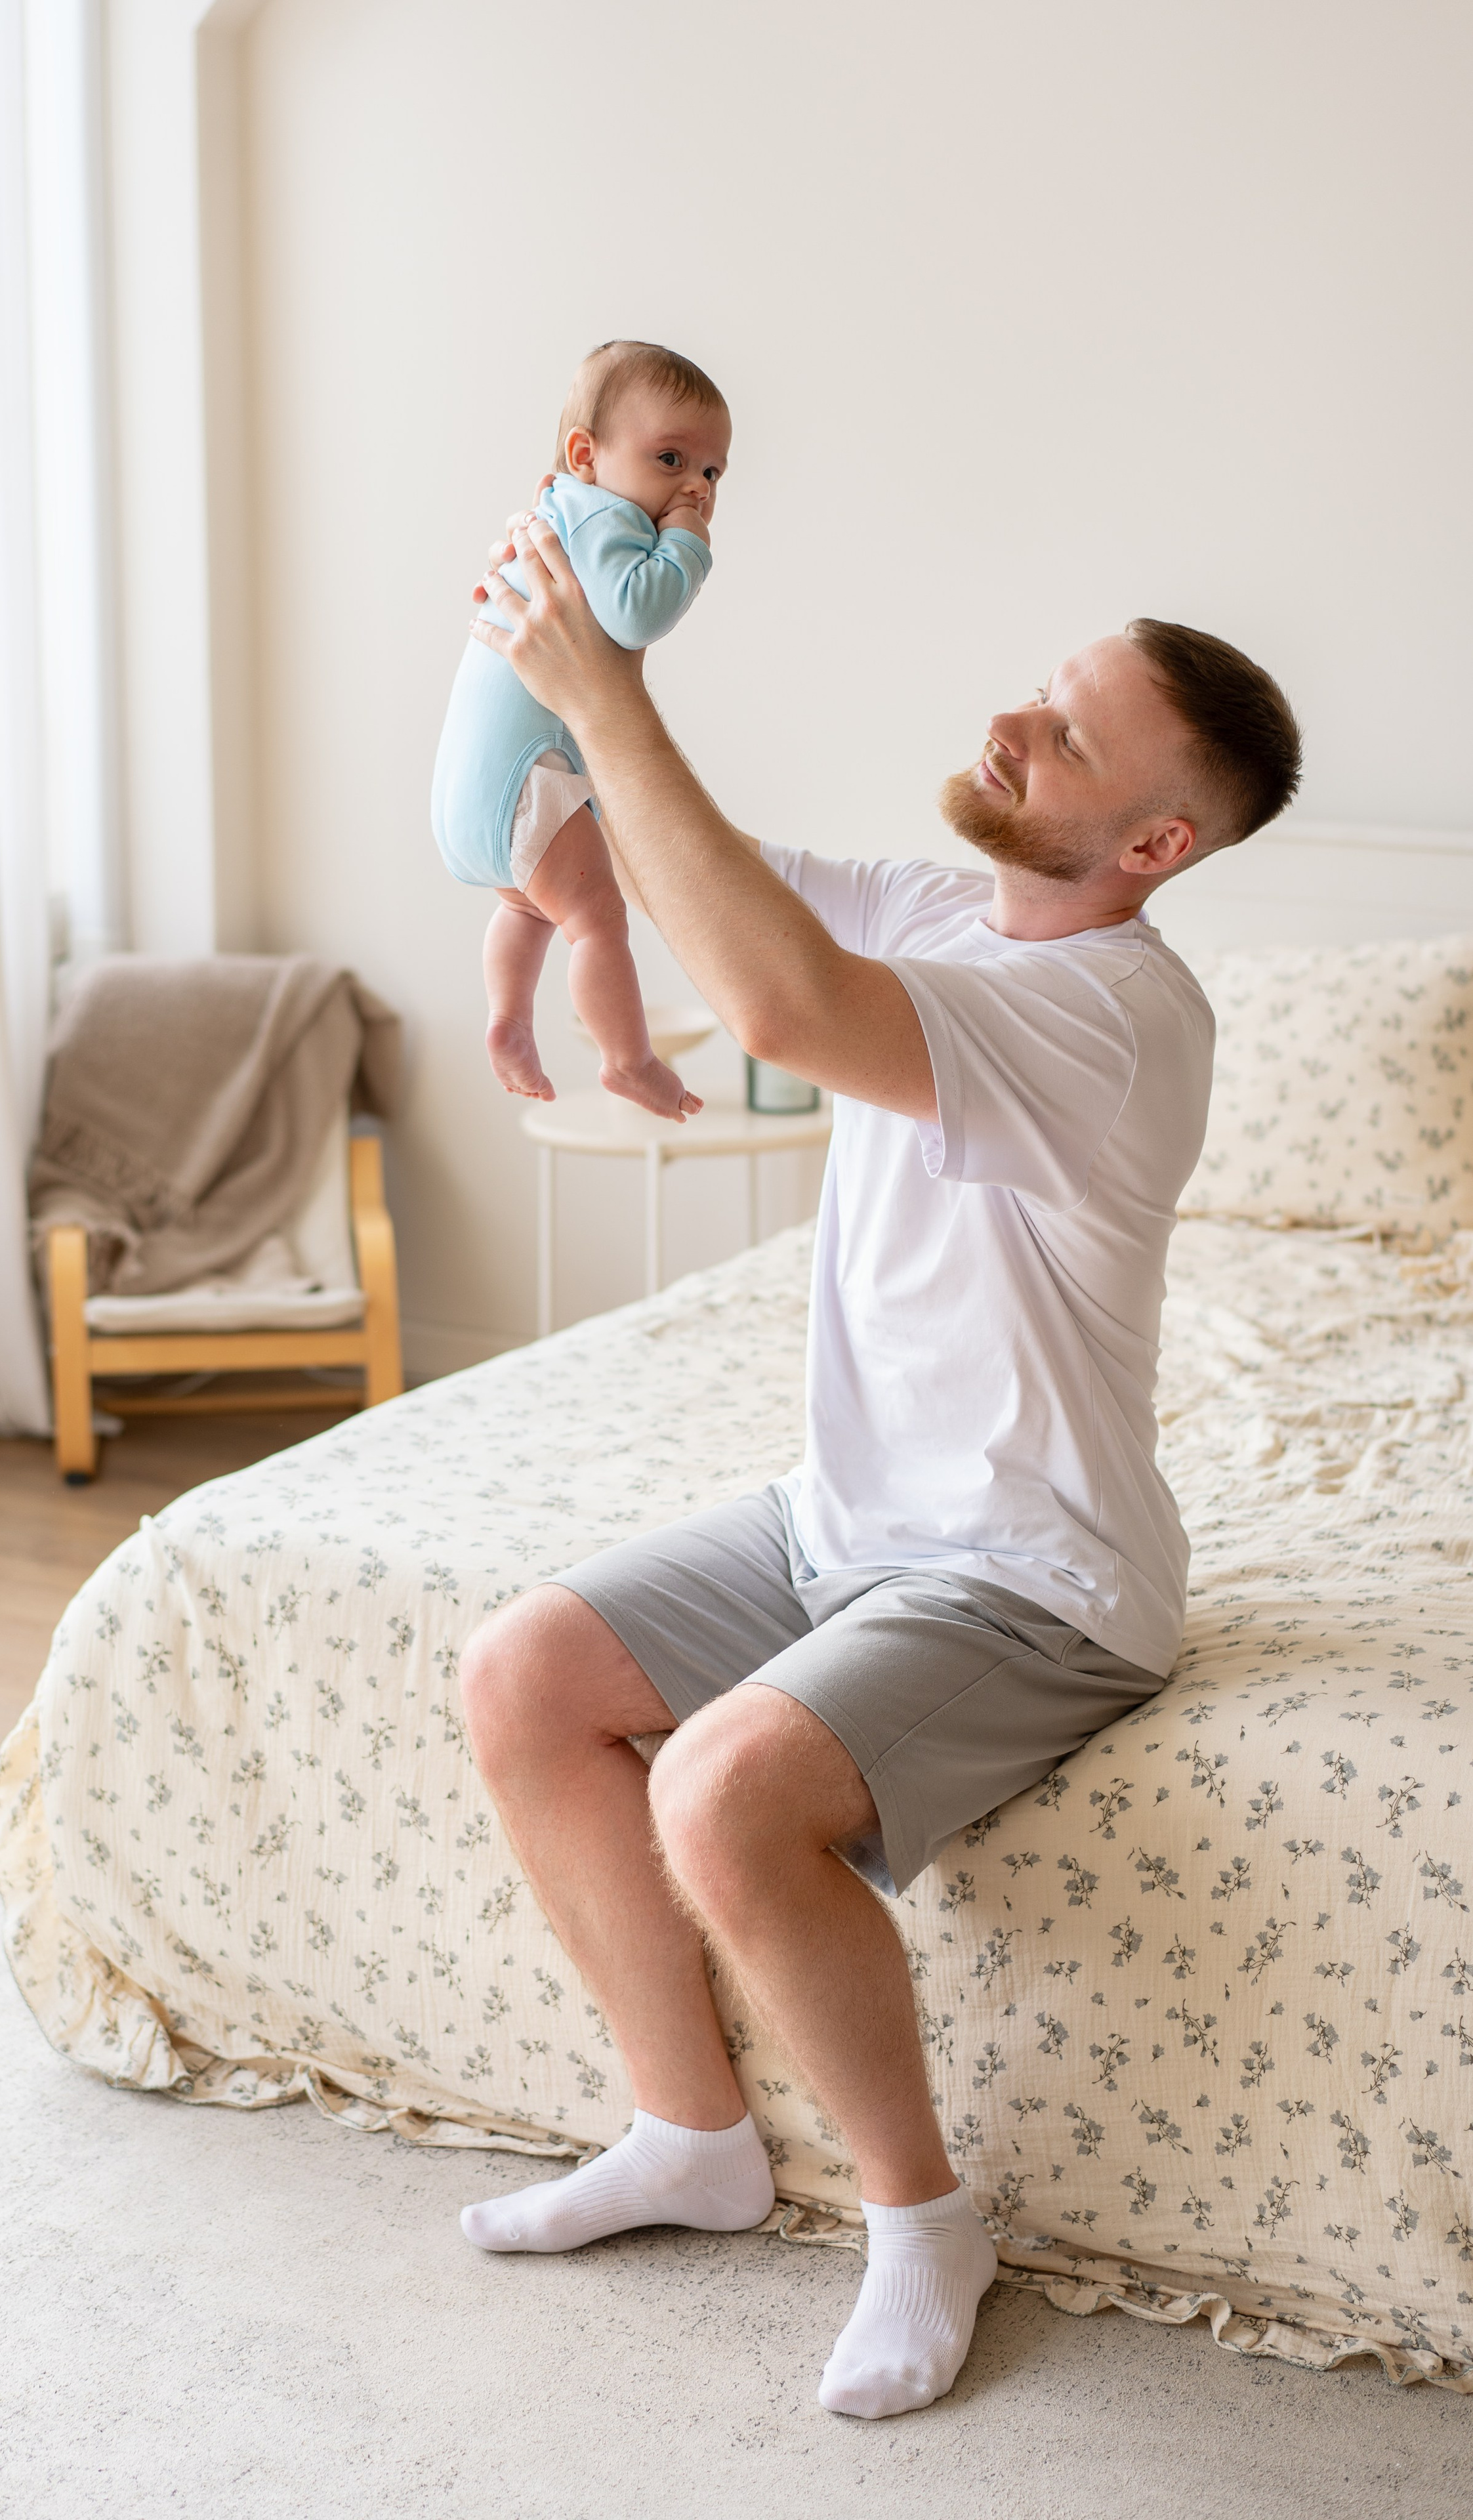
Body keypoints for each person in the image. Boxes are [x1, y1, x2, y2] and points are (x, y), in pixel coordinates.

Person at [451, 510, 1302, 2421]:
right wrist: (559, 690)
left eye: (1067, 739)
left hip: (1033, 1575)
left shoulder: (1117, 1016)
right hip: (846, 1517)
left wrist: (604, 692)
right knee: (521, 1674)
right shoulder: (930, 908)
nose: (1011, 724)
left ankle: (924, 2216)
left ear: (1155, 846)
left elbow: (775, 1011)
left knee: (729, 1788)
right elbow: (684, 888)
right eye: (1040, 692)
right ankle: (692, 2130)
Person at [430, 340, 730, 1118]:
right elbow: (638, 611)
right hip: (526, 785)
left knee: (526, 907)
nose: (694, 486)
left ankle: (508, 1021)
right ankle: (627, 1060)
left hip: (473, 796)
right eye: (670, 457)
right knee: (596, 920)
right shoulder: (604, 516)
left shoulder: (559, 509)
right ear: (584, 455)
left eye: (711, 472)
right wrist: (689, 545)